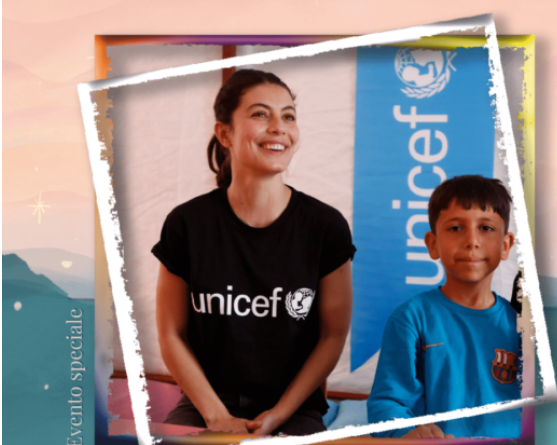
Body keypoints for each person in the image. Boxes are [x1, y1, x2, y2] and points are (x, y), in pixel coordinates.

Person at [152, 69, 356, 436]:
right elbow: (171, 334)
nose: (278, 127)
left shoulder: (325, 227)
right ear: (224, 133)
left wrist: (278, 415)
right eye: (261, 114)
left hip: (292, 409)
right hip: (205, 406)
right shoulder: (186, 224)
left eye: (288, 116)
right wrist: (216, 416)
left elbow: (332, 335)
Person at [367, 175, 521, 439]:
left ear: (505, 245)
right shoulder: (411, 319)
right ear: (433, 243)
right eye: (456, 228)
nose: (472, 241)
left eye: (486, 228)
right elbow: (387, 403)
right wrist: (406, 432)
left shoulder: (523, 325)